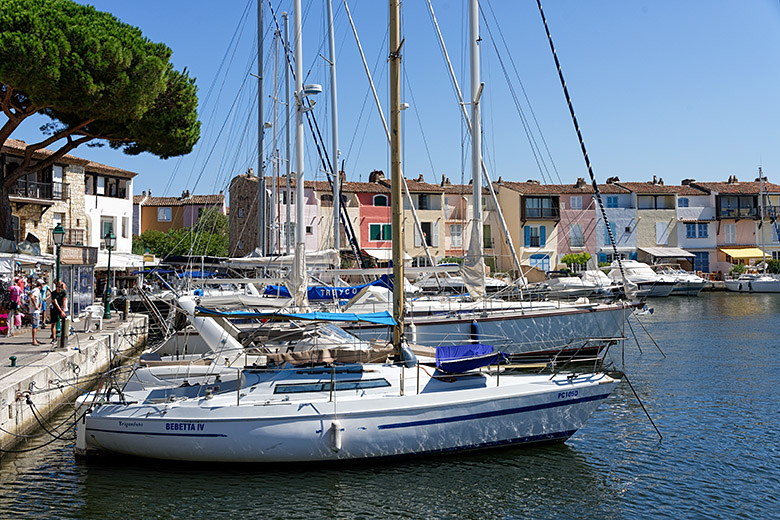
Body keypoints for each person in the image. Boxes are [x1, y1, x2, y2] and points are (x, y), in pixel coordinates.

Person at [29, 279, 42, 346]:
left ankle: (35, 339)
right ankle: (34, 340)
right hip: (35, 311)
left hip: (35, 310)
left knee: (36, 325)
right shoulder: (36, 290)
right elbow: (32, 297)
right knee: (35, 326)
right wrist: (35, 305)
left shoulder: (35, 290)